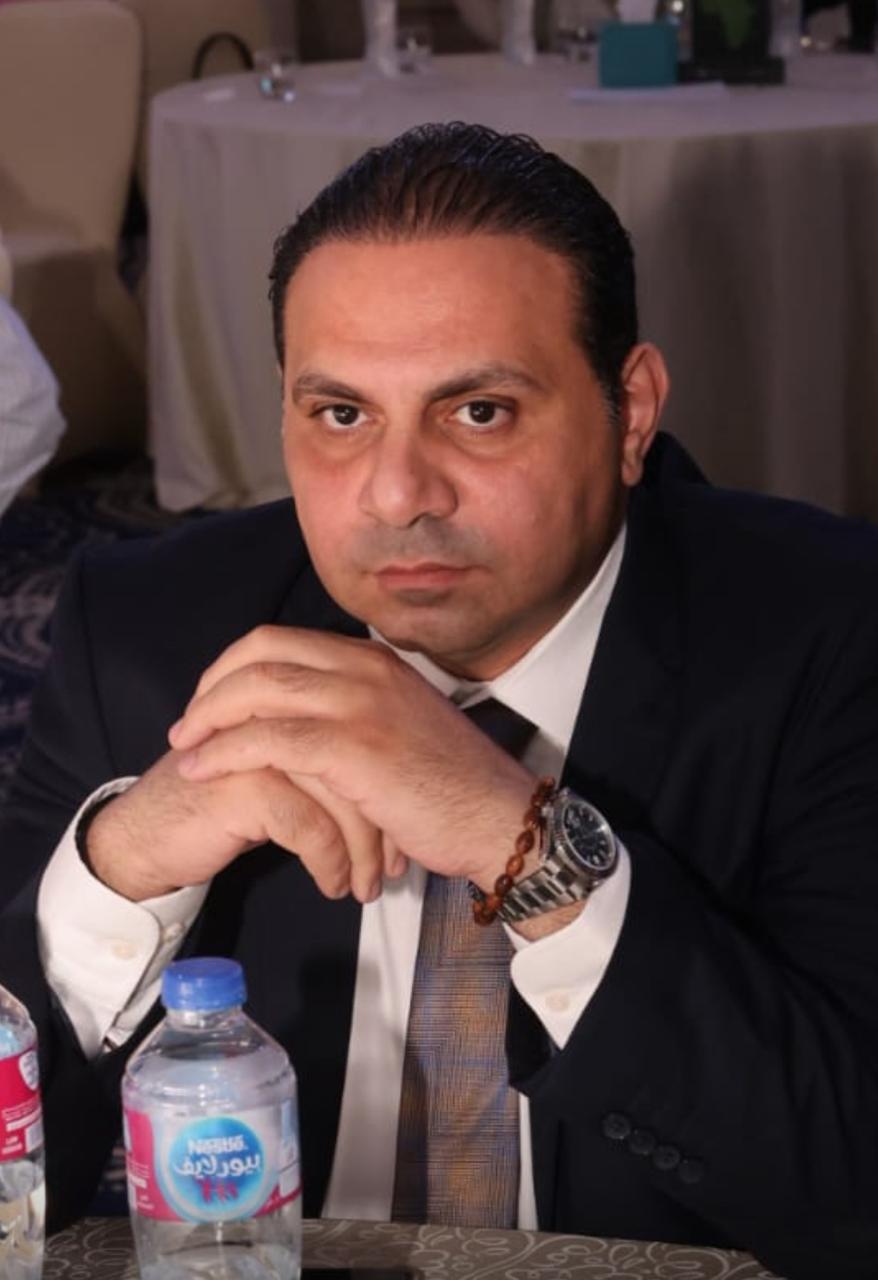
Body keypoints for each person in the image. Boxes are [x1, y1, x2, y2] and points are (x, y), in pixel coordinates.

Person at [1, 123, 877, 1280]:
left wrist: (530, 850)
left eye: (478, 412)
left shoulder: (828, 636)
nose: (396, 493)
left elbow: (850, 1192)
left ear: (629, 412)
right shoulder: (149, 636)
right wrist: (118, 870)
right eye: (341, 414)